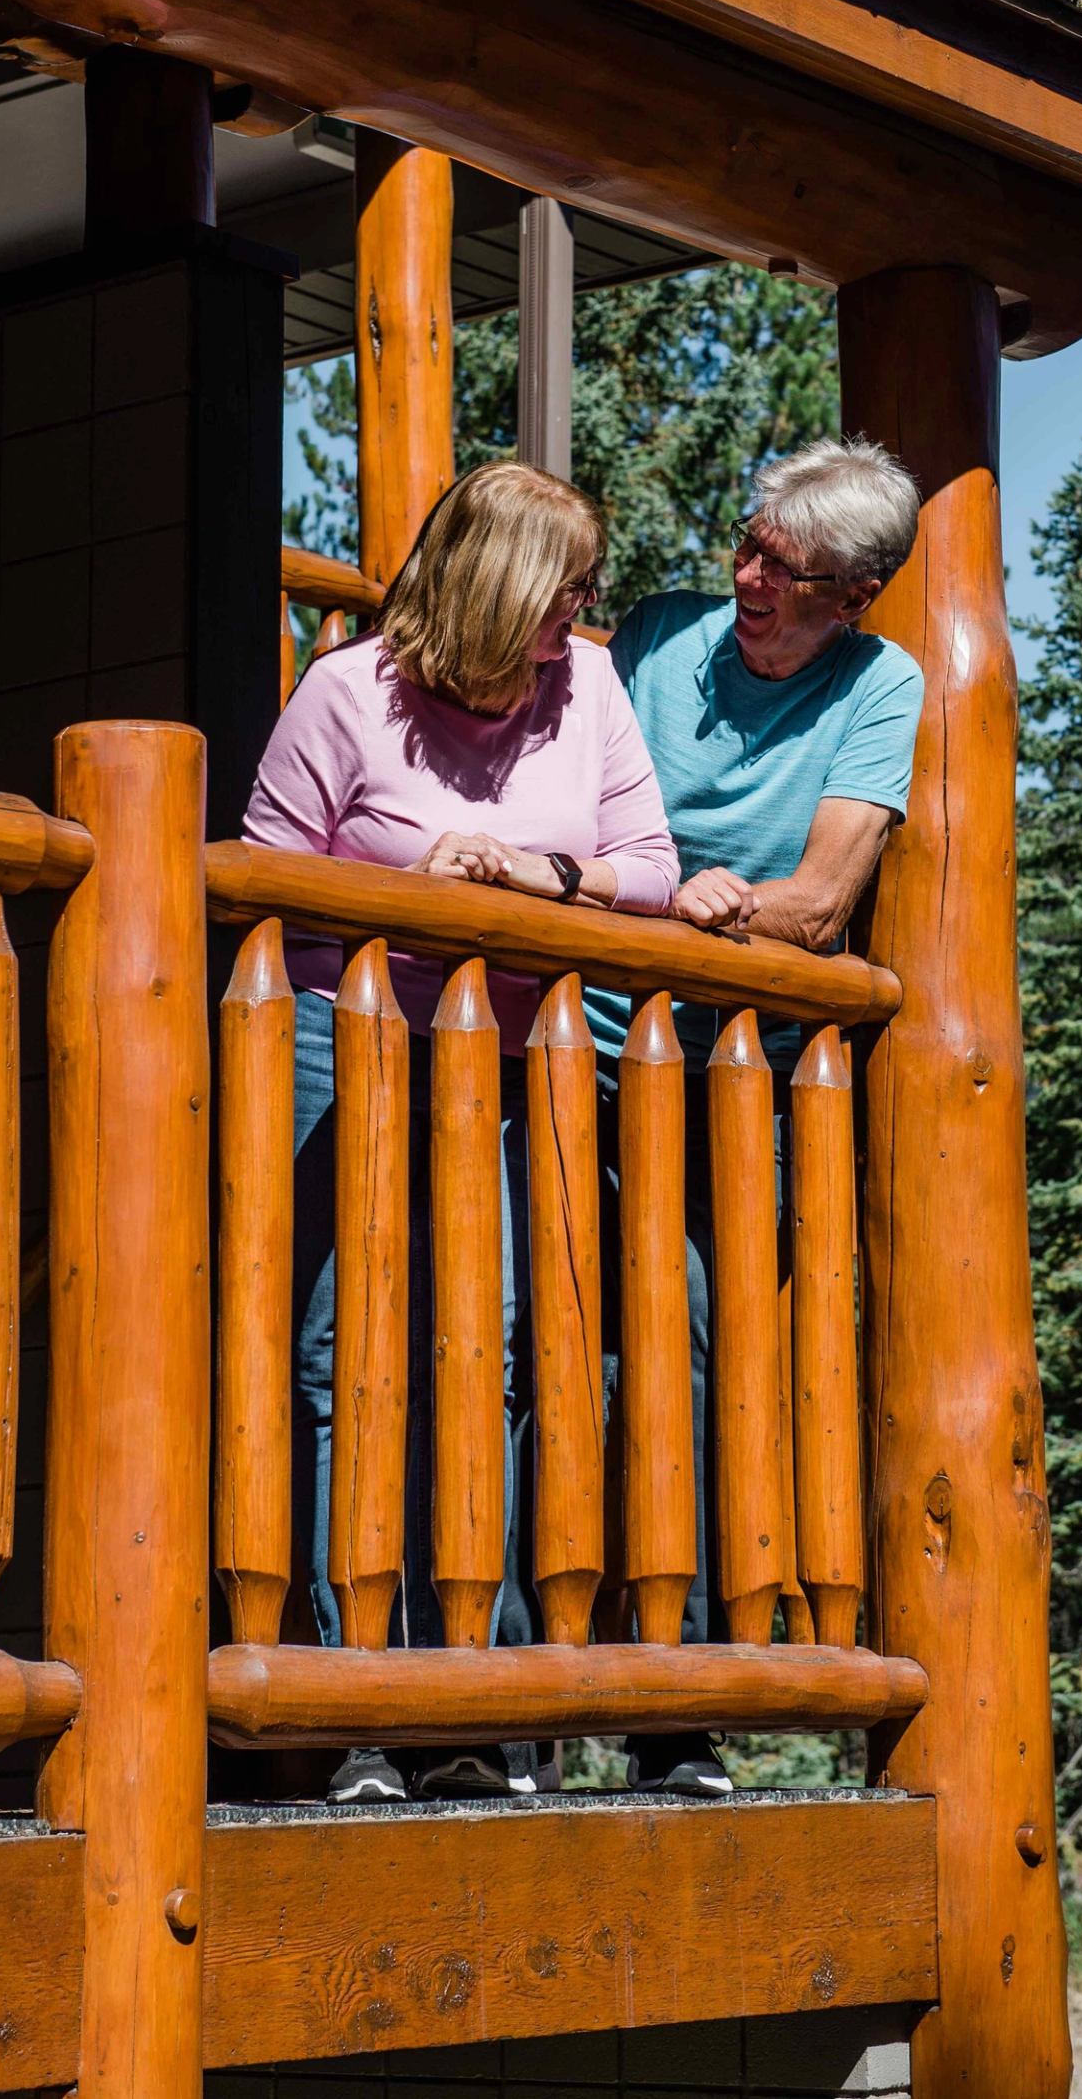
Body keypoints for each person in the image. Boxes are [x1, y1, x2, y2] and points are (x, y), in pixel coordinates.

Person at [242, 461, 679, 1804]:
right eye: (565, 593)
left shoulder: (587, 686)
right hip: (340, 1040)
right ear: (497, 589)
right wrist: (406, 885)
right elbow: (258, 872)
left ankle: (471, 1713)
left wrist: (537, 876)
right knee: (338, 1354)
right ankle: (350, 1700)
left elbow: (650, 871)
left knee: (486, 1354)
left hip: (513, 1053)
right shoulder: (344, 693)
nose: (581, 617)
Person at [584, 433, 925, 1798]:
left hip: (742, 1085)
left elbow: (823, 904)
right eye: (748, 544)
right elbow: (562, 812)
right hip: (579, 1045)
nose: (747, 580)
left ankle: (682, 1710)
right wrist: (674, 895)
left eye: (782, 570)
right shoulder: (658, 637)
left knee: (705, 1366)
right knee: (529, 1348)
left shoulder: (880, 684)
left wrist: (658, 889)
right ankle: (486, 1708)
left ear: (852, 593)